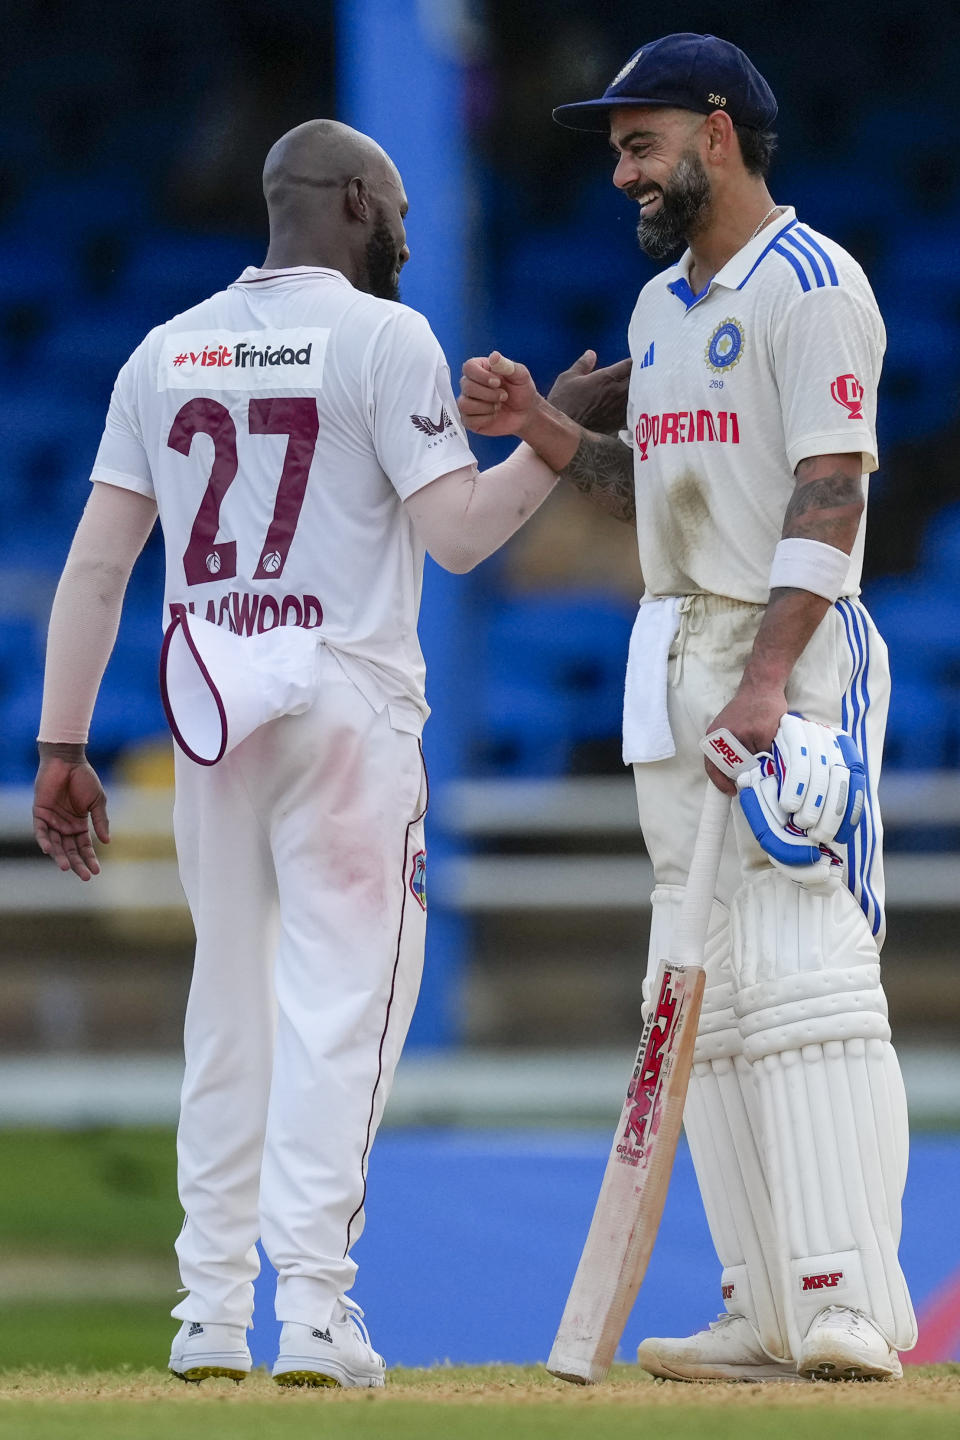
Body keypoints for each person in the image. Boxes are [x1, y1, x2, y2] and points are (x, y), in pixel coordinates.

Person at [32, 119, 563, 1387]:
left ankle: (209, 1310)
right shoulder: (386, 337)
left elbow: (98, 567)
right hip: (344, 700)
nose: (407, 229)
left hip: (214, 705)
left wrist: (59, 741)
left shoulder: (164, 350)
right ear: (350, 201)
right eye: (393, 204)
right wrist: (556, 438)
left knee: (228, 1008)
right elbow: (461, 536)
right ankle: (315, 1312)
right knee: (343, 1008)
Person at [458, 33, 916, 1383]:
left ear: (718, 133)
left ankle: (847, 1299)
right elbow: (651, 487)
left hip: (792, 653)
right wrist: (544, 429)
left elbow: (831, 497)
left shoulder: (816, 285)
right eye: (615, 147)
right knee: (694, 989)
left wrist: (770, 676)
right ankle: (758, 1303)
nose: (619, 171)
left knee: (803, 969)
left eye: (639, 142)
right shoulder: (661, 309)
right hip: (675, 662)